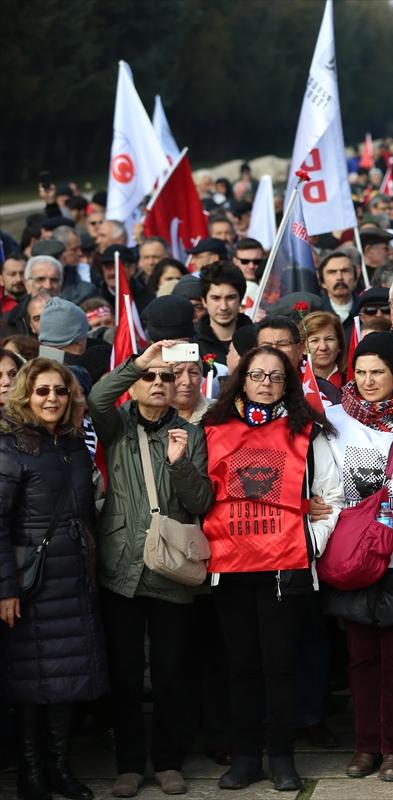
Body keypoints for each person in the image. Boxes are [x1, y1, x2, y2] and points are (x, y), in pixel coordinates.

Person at [199, 346, 344, 791]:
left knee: (280, 666)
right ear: (242, 379)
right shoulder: (213, 428)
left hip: (286, 567)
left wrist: (307, 543)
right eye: (257, 375)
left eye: (275, 377)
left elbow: (330, 496)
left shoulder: (309, 431)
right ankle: (246, 757)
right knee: (241, 665)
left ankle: (282, 756)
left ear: (288, 383)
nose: (265, 383)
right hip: (232, 567)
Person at [87, 340, 214, 798]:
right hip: (121, 563)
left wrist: (180, 465)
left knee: (170, 672)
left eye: (167, 377)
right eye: (151, 377)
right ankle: (126, 765)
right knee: (124, 673)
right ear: (135, 385)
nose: (160, 383)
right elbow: (97, 397)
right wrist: (135, 363)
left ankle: (167, 763)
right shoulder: (115, 423)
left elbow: (201, 501)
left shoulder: (190, 432)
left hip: (170, 567)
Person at [323, 333, 393, 783]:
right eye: (362, 372)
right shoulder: (331, 420)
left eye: (379, 372)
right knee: (360, 659)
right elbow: (318, 478)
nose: (369, 381)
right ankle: (366, 745)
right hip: (351, 557)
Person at [0, 359, 106, 800]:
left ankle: (61, 769)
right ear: (27, 394)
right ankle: (31, 772)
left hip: (74, 578)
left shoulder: (74, 445)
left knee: (67, 680)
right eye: (42, 391)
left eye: (60, 391)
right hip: (31, 583)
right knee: (30, 684)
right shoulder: (9, 448)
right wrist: (5, 588)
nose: (51, 399)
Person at [302, 310, 346, 387]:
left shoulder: (351, 383)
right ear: (302, 348)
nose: (323, 347)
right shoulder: (294, 384)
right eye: (314, 340)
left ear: (339, 345)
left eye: (329, 339)